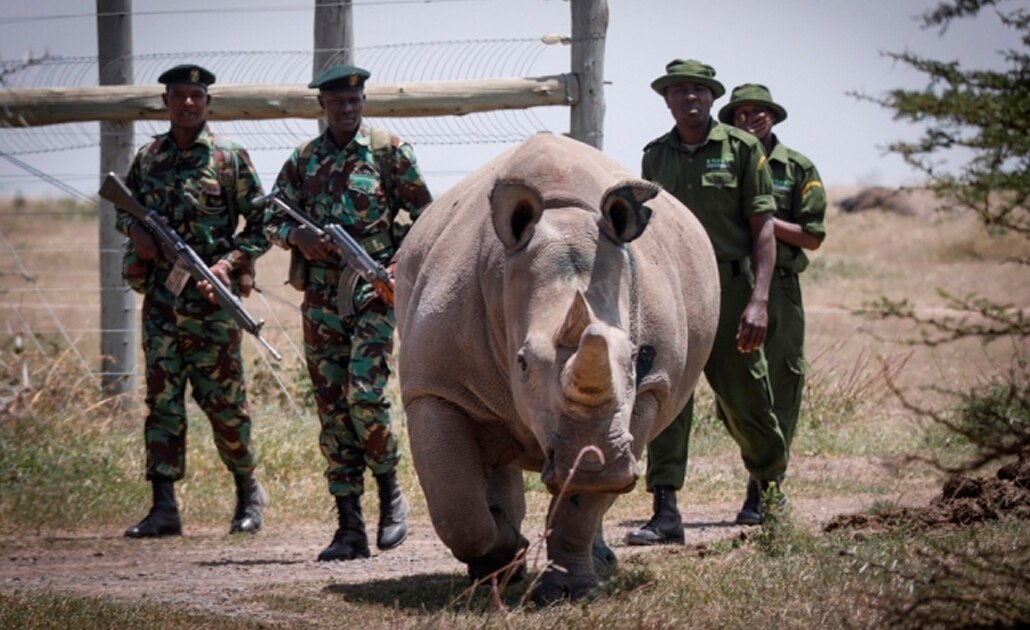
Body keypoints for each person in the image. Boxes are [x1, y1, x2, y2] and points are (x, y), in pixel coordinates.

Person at [264, 64, 432, 561]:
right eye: (337, 101)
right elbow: (270, 215)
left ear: (363, 102)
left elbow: (426, 215)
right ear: (323, 106)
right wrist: (298, 236)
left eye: (354, 100)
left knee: (364, 396)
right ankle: (349, 527)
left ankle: (389, 494)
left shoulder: (388, 152)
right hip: (320, 302)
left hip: (373, 295)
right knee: (333, 411)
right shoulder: (304, 160)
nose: (346, 108)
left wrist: (396, 264)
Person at [626, 59, 785, 545]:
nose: (690, 98)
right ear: (667, 99)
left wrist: (758, 300)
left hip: (731, 288)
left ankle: (767, 493)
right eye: (680, 91)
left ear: (713, 98)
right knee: (665, 398)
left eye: (699, 90)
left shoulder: (742, 150)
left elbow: (764, 229)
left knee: (747, 400)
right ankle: (665, 511)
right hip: (673, 292)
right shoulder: (655, 157)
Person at [118, 64, 271, 538]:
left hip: (210, 304)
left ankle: (249, 496)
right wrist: (135, 232)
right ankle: (163, 508)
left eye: (196, 96)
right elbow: (124, 210)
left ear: (207, 103)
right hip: (163, 302)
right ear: (166, 102)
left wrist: (227, 263)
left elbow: (262, 226)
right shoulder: (149, 158)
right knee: (162, 402)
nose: (188, 103)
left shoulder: (229, 158)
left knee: (226, 403)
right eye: (179, 95)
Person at [718, 83, 827, 524]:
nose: (752, 119)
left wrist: (762, 219)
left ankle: (764, 489)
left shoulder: (797, 167)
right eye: (742, 113)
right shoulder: (724, 164)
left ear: (774, 117)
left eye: (760, 112)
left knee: (782, 384)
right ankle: (757, 464)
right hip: (729, 283)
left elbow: (812, 236)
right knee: (734, 391)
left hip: (779, 287)